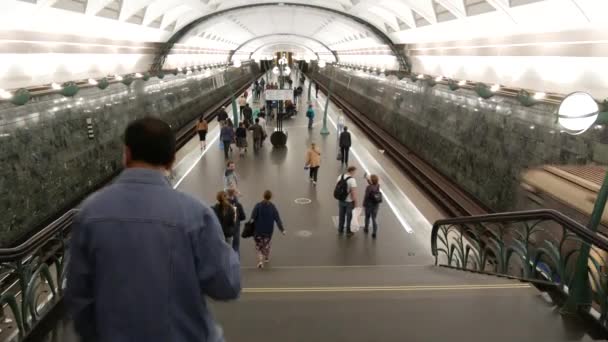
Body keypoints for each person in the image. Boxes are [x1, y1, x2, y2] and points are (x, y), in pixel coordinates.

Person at [66, 117, 240, 342]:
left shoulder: (89, 213)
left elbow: (77, 298)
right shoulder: (195, 214)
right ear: (171, 160)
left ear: (126, 154)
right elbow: (227, 285)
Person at [250, 190, 286, 268]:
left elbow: (252, 218)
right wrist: (282, 230)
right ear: (270, 197)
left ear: (263, 196)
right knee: (266, 245)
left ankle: (260, 262)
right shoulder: (272, 207)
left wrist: (250, 225)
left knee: (259, 246)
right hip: (268, 232)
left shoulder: (258, 206)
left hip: (258, 231)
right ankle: (266, 257)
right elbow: (277, 219)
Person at [335, 166, 358, 236]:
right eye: (355, 172)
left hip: (341, 199)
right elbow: (353, 193)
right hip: (349, 202)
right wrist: (356, 202)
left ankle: (340, 229)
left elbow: (337, 187)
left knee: (341, 215)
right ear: (352, 171)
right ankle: (348, 231)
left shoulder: (340, 177)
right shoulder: (352, 180)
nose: (355, 173)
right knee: (349, 217)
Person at [227, 188, 246, 255]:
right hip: (236, 227)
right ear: (234, 194)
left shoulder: (223, 204)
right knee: (236, 246)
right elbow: (243, 217)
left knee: (227, 247)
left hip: (226, 229)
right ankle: (236, 261)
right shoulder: (238, 205)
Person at [363, 173, 382, 239]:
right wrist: (367, 178)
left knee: (367, 217)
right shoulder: (377, 185)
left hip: (368, 205)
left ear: (371, 181)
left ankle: (366, 228)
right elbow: (371, 183)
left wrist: (364, 204)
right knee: (374, 219)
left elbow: (366, 196)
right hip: (376, 205)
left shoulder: (369, 188)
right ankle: (374, 232)